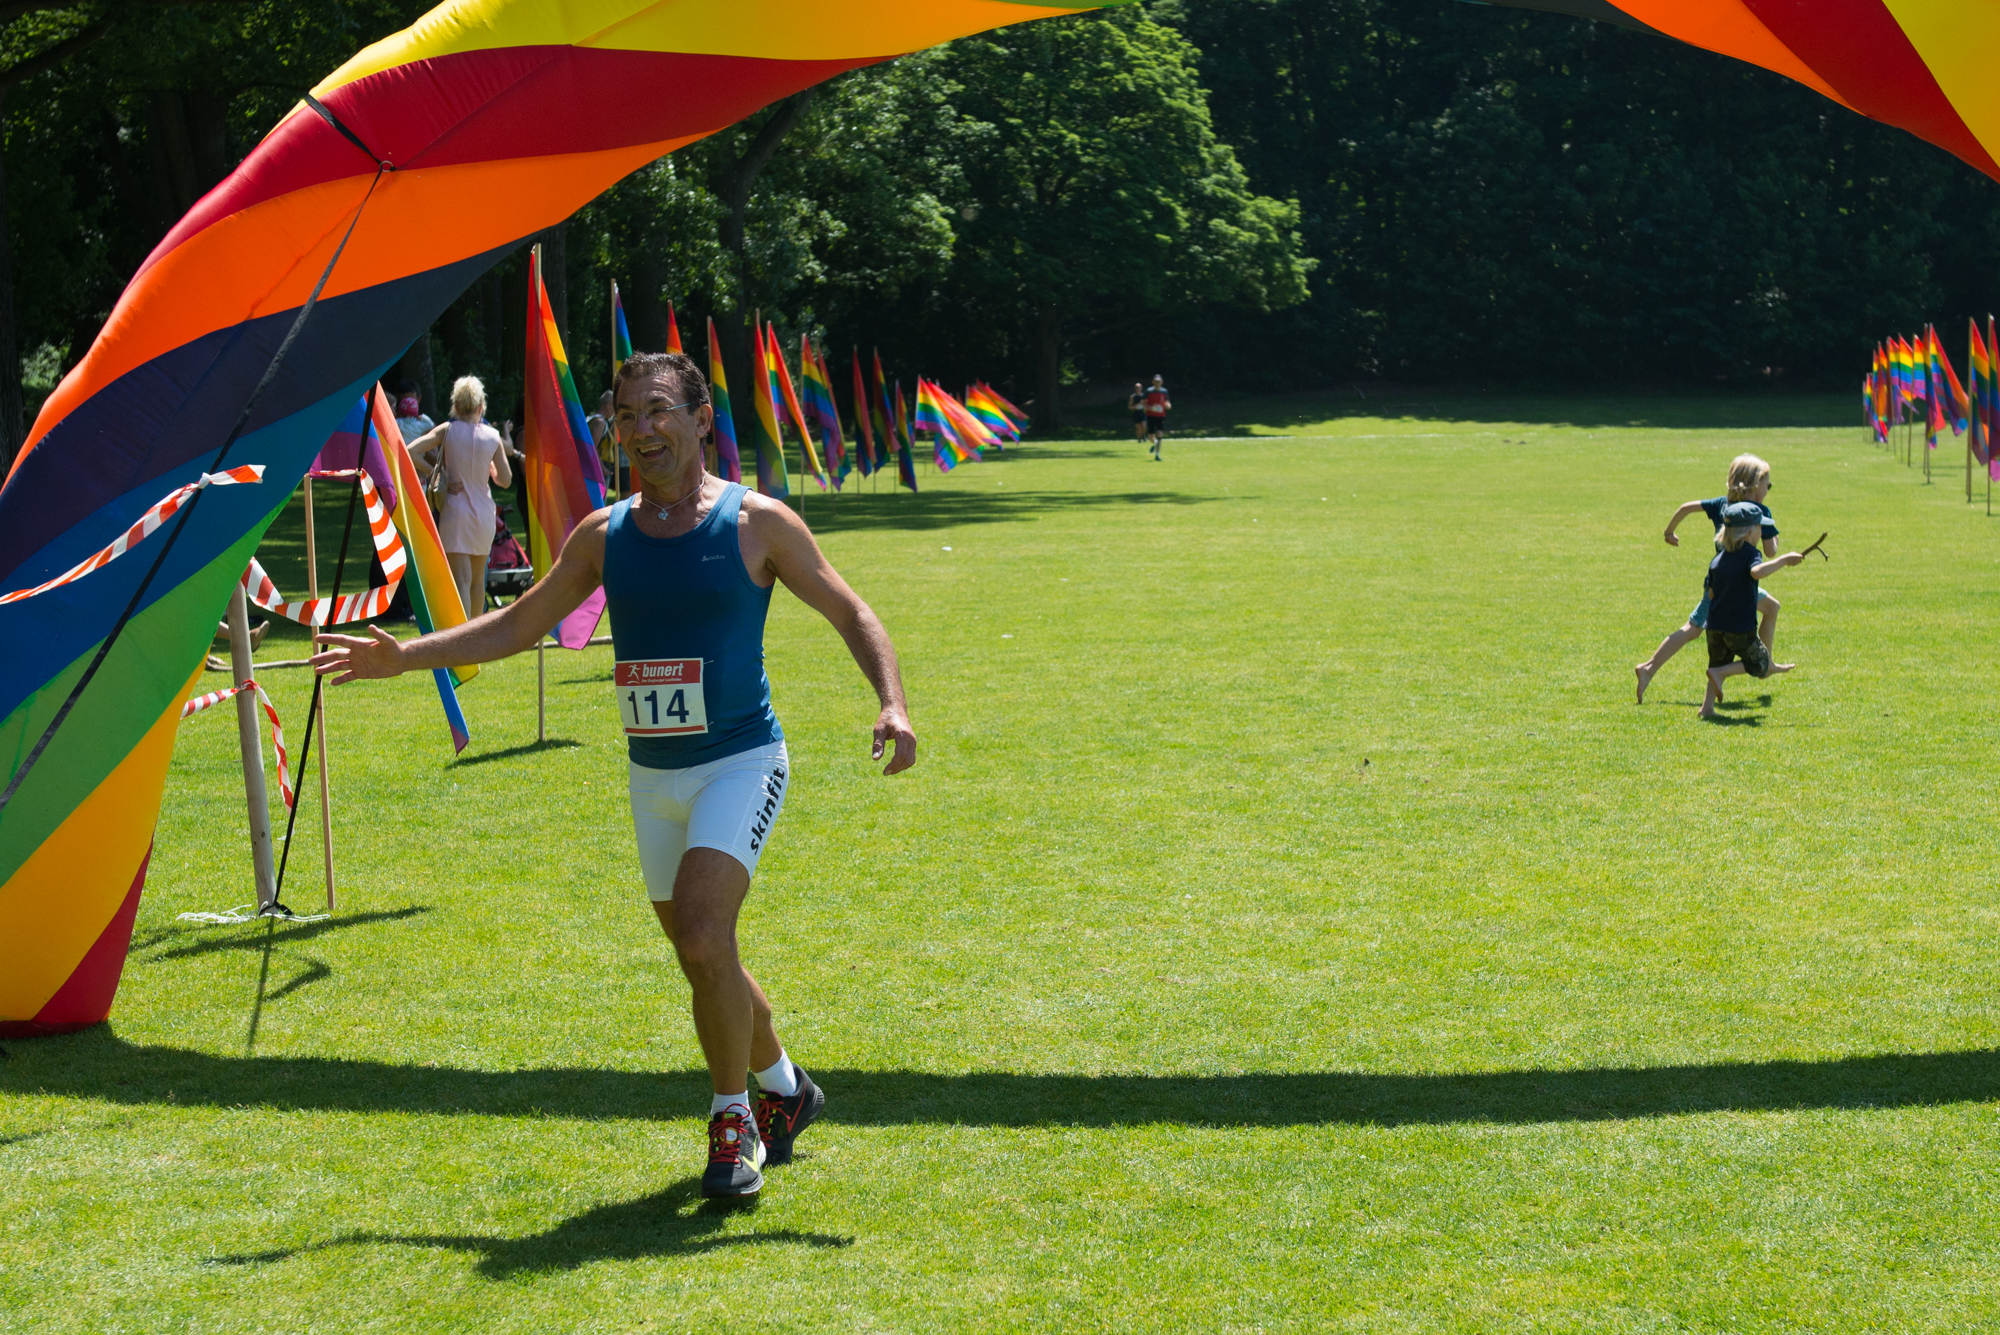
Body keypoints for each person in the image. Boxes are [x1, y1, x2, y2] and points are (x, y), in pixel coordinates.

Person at [310, 351, 917, 1201]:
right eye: (626, 415)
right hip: (653, 777)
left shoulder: (757, 523)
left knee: (702, 931)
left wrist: (892, 702)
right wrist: (405, 656)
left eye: (659, 410)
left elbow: (852, 610)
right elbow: (518, 625)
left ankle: (733, 1122)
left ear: (700, 419)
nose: (640, 430)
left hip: (741, 761)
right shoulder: (604, 536)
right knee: (703, 952)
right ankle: (785, 1086)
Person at [1634, 454, 1781, 703]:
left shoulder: (1721, 504)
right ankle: (1648, 668)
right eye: (1769, 484)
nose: (1769, 488)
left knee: (1771, 607)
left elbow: (1685, 507)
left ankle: (1766, 662)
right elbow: (1771, 552)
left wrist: (1670, 531)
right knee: (1693, 628)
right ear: (1756, 484)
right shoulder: (1759, 512)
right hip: (1732, 587)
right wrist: (1773, 531)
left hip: (1722, 580)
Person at [408, 376, 513, 619]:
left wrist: (434, 473)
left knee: (461, 581)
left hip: (455, 511)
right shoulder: (493, 436)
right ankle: (475, 636)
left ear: (455, 405)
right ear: (481, 406)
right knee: (477, 582)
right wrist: (490, 469)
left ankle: (462, 635)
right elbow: (505, 480)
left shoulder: (447, 430)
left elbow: (411, 450)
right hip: (484, 513)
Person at [1700, 502, 1803, 719]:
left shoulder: (1718, 559)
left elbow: (1711, 593)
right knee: (1761, 663)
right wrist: (1784, 560)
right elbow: (1756, 572)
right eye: (1760, 528)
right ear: (1749, 531)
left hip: (1715, 626)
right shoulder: (1750, 553)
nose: (1761, 532)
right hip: (1739, 627)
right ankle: (1720, 673)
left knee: (1717, 661)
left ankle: (1707, 708)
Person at [587, 389, 619, 495]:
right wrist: (602, 469)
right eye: (614, 406)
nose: (615, 411)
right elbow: (592, 448)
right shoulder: (600, 422)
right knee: (599, 501)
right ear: (608, 404)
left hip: (595, 468)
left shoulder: (591, 418)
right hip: (599, 469)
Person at [1143, 375, 1170, 458]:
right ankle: (1155, 443)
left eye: (1159, 381)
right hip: (1151, 415)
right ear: (1153, 382)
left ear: (1161, 382)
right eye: (1156, 381)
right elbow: (1143, 403)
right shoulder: (1149, 391)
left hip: (1161, 416)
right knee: (1150, 436)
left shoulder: (1164, 391)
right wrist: (1151, 408)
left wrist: (1168, 405)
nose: (1157, 383)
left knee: (1159, 433)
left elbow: (1167, 402)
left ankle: (1157, 454)